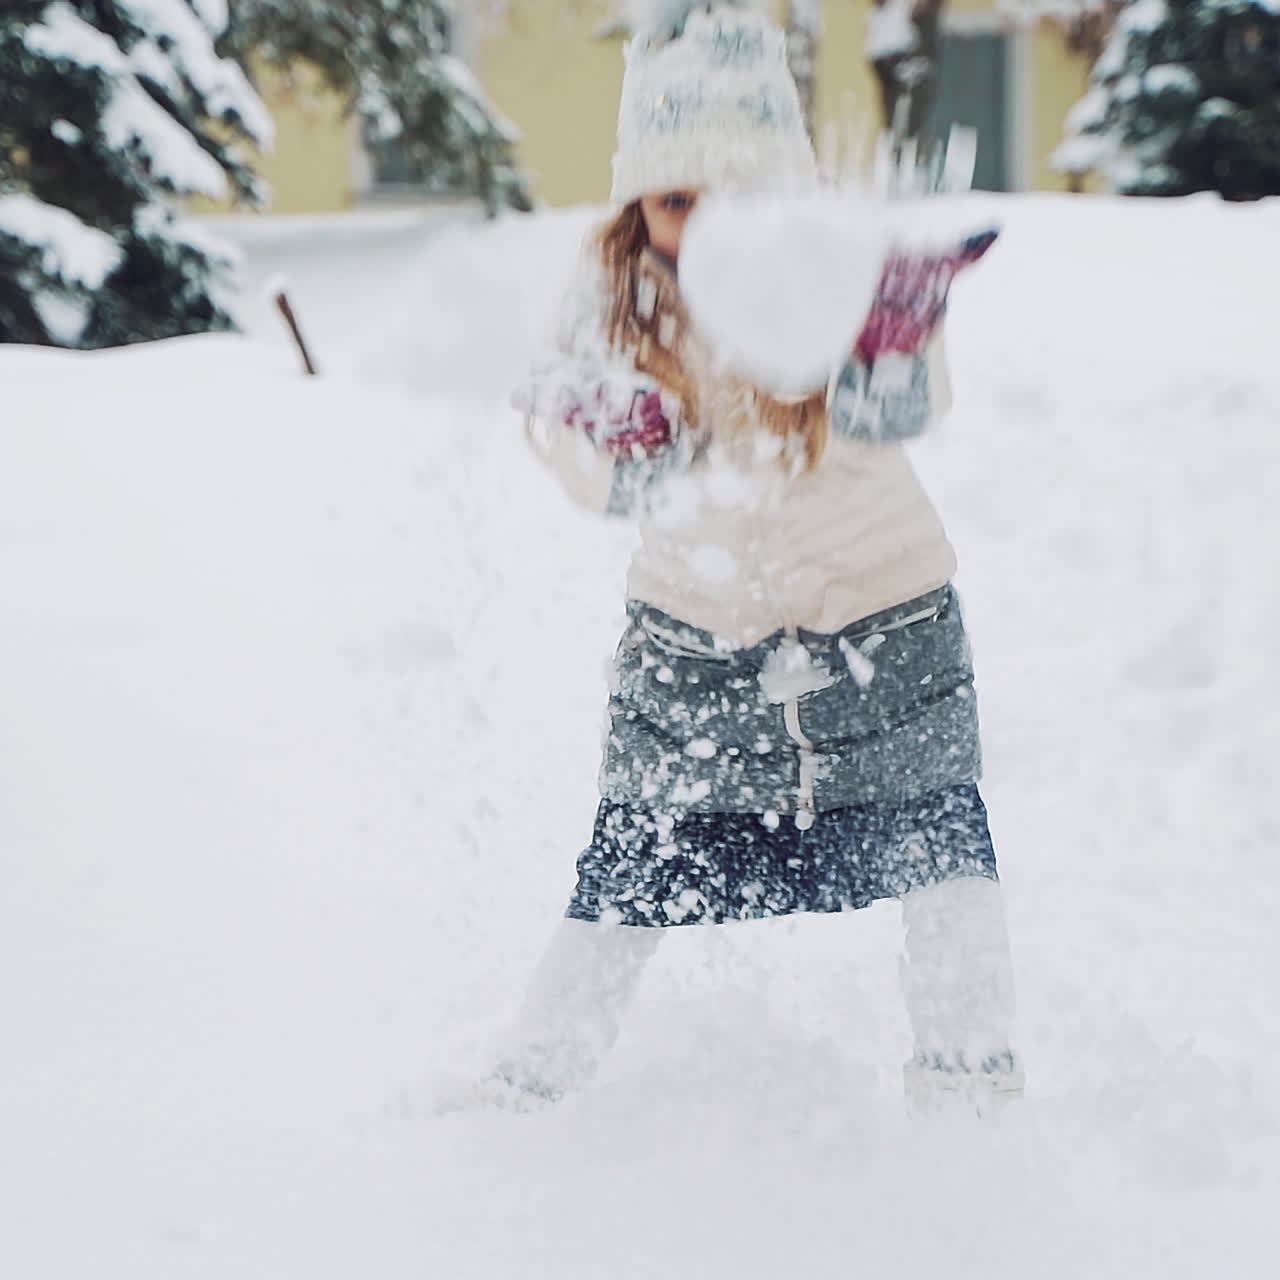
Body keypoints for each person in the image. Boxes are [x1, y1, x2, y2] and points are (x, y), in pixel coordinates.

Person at [460, 0, 1022, 1115]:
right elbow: (580, 457)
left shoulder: (840, 272)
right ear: (639, 203)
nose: (704, 224)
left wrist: (887, 352)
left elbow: (910, 412)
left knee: (945, 857)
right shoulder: (611, 297)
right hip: (694, 647)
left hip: (884, 629)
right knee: (623, 871)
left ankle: (974, 1093)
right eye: (676, 200)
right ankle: (525, 1090)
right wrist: (612, 442)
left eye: (733, 196)